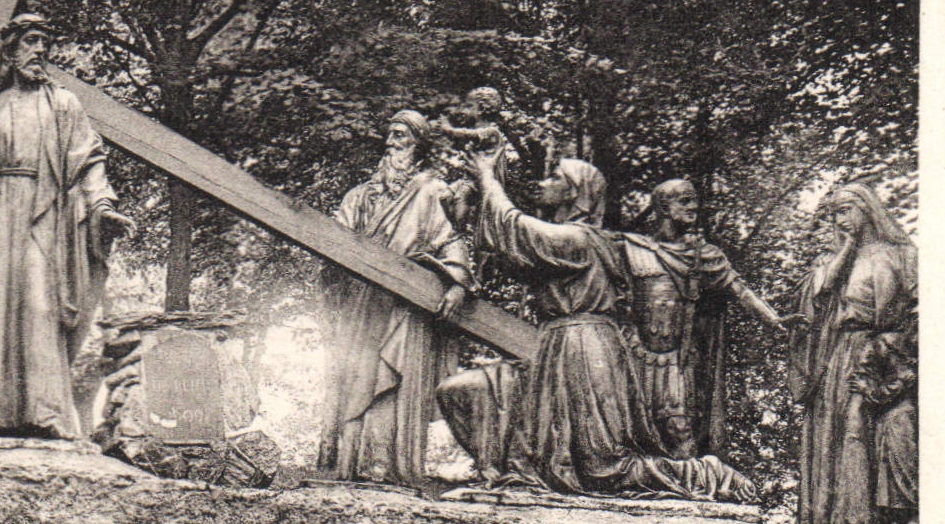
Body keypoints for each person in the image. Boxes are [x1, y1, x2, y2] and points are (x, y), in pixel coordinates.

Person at [439, 145, 755, 501]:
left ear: (579, 193)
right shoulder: (568, 243)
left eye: (556, 178)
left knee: (601, 466)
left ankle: (707, 474)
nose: (544, 184)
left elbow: (517, 229)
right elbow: (510, 255)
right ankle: (500, 471)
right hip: (551, 349)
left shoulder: (581, 238)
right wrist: (464, 214)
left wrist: (488, 177)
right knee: (460, 390)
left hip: (585, 350)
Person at [0, 14, 133, 439]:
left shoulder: (61, 103)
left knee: (39, 306)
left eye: (45, 42)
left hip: (41, 212)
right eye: (31, 41)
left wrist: (101, 205)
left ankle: (41, 414)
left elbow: (88, 161)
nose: (40, 51)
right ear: (10, 49)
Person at [317, 110, 471, 485]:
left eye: (401, 136)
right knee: (356, 379)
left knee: (394, 381)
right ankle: (351, 465)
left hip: (406, 309)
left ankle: (385, 464)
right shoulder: (358, 196)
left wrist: (458, 284)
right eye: (389, 135)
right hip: (362, 305)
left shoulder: (433, 193)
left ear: (418, 145)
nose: (391, 143)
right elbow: (332, 242)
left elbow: (452, 241)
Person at [619, 179, 789, 458]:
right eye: (684, 201)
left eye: (694, 200)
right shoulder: (631, 249)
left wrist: (774, 321)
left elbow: (740, 291)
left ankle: (688, 493)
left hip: (679, 359)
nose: (694, 207)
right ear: (663, 206)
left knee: (680, 431)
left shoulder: (705, 255)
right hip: (635, 356)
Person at [790, 183, 918, 524]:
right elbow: (819, 295)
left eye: (847, 209)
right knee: (845, 432)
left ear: (867, 208)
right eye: (835, 213)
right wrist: (846, 249)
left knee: (874, 431)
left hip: (887, 354)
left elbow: (919, 306)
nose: (840, 219)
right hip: (843, 354)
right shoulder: (835, 261)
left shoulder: (904, 254)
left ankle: (873, 523)